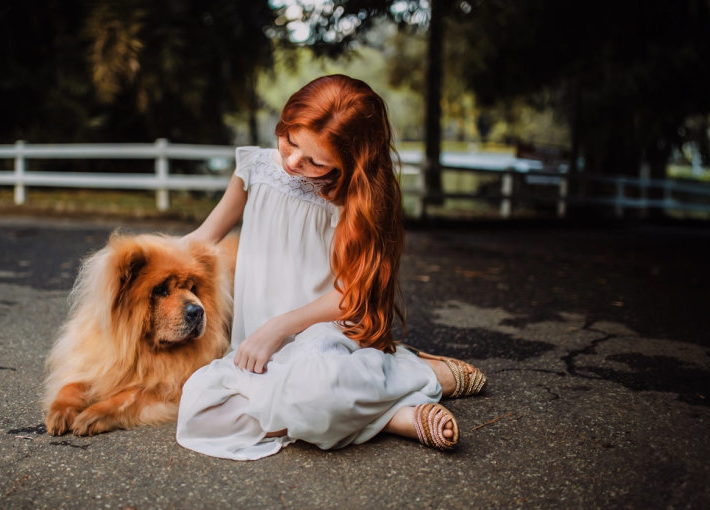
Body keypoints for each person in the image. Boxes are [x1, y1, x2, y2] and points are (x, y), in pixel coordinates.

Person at [177, 75, 486, 461]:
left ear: (350, 162)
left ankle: (412, 386)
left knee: (313, 391)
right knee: (198, 412)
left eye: (315, 161)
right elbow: (204, 236)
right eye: (289, 140)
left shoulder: (355, 199)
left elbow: (353, 294)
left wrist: (280, 326)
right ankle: (383, 410)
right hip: (257, 345)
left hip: (319, 334)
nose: (292, 162)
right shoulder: (255, 167)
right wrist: (144, 255)